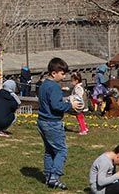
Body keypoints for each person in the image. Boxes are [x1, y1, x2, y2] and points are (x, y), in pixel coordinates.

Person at [37, 57, 79, 190]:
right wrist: (70, 105)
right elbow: (56, 106)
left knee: (49, 151)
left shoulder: (43, 85)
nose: (64, 76)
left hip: (42, 121)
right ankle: (55, 176)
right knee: (61, 150)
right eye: (62, 73)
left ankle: (48, 176)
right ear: (54, 73)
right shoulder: (54, 86)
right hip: (52, 122)